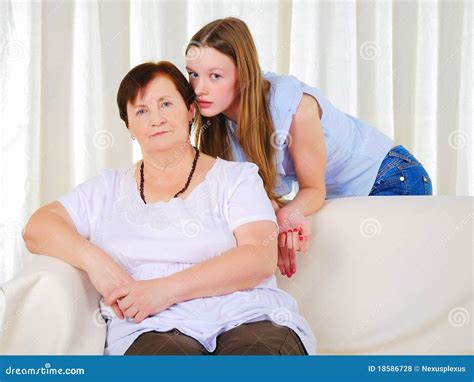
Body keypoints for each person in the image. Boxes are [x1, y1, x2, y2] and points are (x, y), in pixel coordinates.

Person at [22, 61, 315, 355]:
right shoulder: (106, 189)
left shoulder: (237, 178)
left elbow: (259, 256)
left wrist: (164, 290)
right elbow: (38, 228)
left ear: (190, 111)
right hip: (152, 326)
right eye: (141, 110)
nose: (156, 118)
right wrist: (94, 260)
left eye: (165, 104)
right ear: (129, 127)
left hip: (249, 315)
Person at [185, 17, 433, 279]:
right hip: (345, 195)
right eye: (193, 74)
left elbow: (314, 189)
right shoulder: (219, 123)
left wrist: (287, 216)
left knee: (377, 280)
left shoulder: (294, 108)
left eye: (215, 76)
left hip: (393, 177)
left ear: (243, 74)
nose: (200, 89)